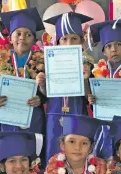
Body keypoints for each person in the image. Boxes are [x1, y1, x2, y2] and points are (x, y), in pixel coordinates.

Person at [40, 12, 94, 162]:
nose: (69, 44)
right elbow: (45, 95)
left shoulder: (88, 65)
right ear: (57, 42)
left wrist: (85, 78)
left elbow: (89, 98)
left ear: (81, 41)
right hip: (54, 113)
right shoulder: (47, 63)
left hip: (77, 112)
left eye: (74, 39)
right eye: (64, 39)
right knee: (53, 155)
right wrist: (42, 84)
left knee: (76, 156)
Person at [0, 7, 46, 136]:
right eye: (18, 33)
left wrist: (40, 99)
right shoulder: (1, 61)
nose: (22, 38)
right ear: (10, 38)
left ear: (34, 39)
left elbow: (47, 93)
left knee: (32, 152)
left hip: (33, 115)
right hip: (7, 114)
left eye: (28, 34)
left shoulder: (42, 61)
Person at [88, 20, 121, 116]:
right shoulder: (96, 72)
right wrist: (92, 101)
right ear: (104, 52)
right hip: (103, 120)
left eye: (118, 44)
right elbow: (95, 106)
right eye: (108, 46)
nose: (114, 49)